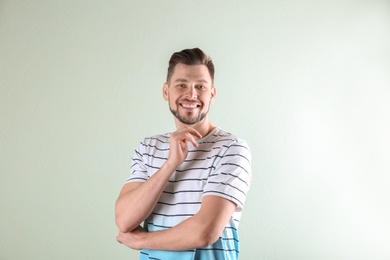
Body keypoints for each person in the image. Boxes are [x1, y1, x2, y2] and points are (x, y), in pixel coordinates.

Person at [115, 47, 252, 260]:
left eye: (200, 86)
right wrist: (170, 164)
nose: (191, 94)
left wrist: (142, 241)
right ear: (166, 91)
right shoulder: (148, 148)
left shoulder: (232, 148)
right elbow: (124, 220)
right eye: (181, 85)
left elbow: (204, 231)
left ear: (212, 94)